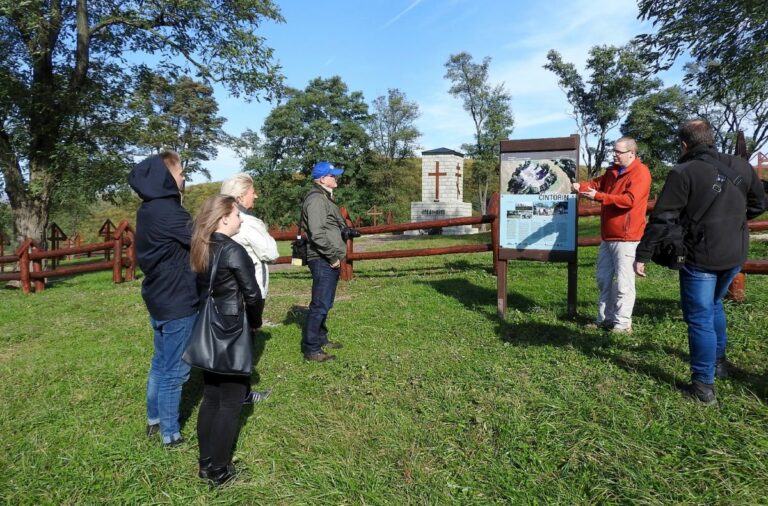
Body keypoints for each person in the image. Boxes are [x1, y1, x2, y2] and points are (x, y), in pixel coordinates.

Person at [634, 119, 765, 405]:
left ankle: (703, 386)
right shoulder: (741, 166)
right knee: (715, 305)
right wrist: (734, 224)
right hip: (735, 253)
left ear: (684, 144)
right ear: (710, 137)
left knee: (699, 317)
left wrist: (642, 255)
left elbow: (662, 218)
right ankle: (719, 363)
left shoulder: (683, 172)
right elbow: (758, 203)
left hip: (701, 255)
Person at [190, 195, 264, 485]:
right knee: (231, 401)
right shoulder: (233, 250)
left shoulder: (201, 246)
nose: (240, 219)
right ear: (223, 218)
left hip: (208, 328)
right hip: (232, 329)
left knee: (211, 397)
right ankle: (219, 471)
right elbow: (253, 294)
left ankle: (205, 463)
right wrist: (255, 323)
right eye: (236, 215)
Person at [129, 150, 198, 447]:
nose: (184, 178)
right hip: (177, 300)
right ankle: (170, 434)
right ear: (167, 177)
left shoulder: (148, 209)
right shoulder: (170, 212)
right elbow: (202, 240)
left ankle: (155, 420)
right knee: (176, 370)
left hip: (159, 296)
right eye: (181, 173)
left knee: (160, 362)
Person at [572, 137, 651, 334]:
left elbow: (629, 200)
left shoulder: (641, 173)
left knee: (624, 283)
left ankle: (622, 324)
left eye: (619, 152)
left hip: (627, 237)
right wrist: (578, 186)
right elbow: (595, 184)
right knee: (603, 279)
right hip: (608, 236)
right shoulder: (612, 172)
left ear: (632, 153)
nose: (615, 154)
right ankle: (605, 319)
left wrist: (599, 197)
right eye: (614, 151)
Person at [221, 173, 279, 404]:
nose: (255, 195)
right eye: (251, 192)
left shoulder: (220, 218)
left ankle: (233, 387)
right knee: (244, 342)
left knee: (234, 342)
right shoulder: (245, 223)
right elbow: (271, 252)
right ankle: (240, 393)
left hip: (227, 289)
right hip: (248, 287)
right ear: (240, 196)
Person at [301, 161, 349, 362]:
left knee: (325, 302)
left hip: (327, 258)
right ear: (322, 179)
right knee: (320, 304)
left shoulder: (324, 198)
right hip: (323, 258)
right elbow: (318, 234)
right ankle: (311, 348)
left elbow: (327, 226)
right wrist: (332, 257)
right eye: (332, 176)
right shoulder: (317, 200)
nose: (335, 178)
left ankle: (320, 338)